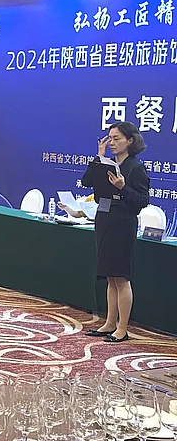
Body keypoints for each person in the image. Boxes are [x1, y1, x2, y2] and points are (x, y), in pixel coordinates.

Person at [81, 121, 149, 343]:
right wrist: (98, 157)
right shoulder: (106, 164)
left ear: (130, 140)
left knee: (121, 277)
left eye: (117, 138)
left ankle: (122, 328)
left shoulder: (135, 168)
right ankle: (110, 323)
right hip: (104, 219)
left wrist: (122, 187)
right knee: (110, 277)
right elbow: (86, 181)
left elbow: (142, 200)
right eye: (109, 138)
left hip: (123, 223)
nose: (111, 142)